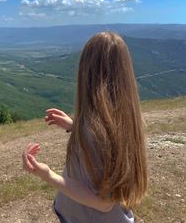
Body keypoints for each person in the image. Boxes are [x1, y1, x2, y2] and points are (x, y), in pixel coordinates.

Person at [22, 32, 148, 223]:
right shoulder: (122, 122)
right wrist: (75, 127)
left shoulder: (96, 130)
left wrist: (47, 174)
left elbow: (103, 202)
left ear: (86, 72)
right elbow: (103, 147)